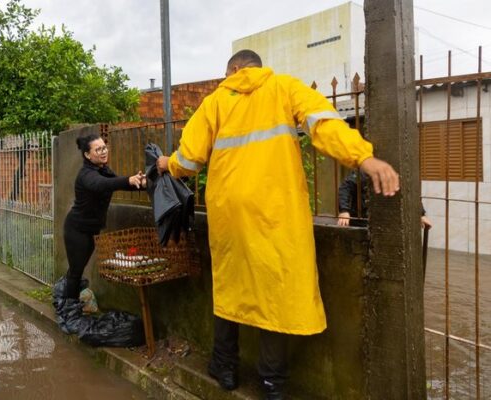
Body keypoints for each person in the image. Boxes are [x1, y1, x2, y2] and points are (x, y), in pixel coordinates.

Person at [156, 49, 400, 400]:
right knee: (276, 294)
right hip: (278, 213)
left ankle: (224, 367)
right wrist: (364, 157)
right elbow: (326, 125)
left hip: (230, 214)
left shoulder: (214, 102)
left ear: (235, 69)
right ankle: (273, 384)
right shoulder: (286, 88)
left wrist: (168, 163)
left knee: (230, 288)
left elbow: (190, 160)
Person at [63, 133, 145, 301]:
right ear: (87, 155)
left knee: (77, 269)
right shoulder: (87, 175)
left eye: (104, 147)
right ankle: (69, 308)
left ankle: (71, 303)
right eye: (98, 149)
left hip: (91, 229)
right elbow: (103, 184)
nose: (103, 152)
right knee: (76, 271)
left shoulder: (103, 170)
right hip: (76, 230)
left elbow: (118, 182)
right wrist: (128, 180)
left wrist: (142, 183)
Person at [337, 170, 432, 228]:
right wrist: (344, 211)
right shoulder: (364, 172)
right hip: (362, 221)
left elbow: (409, 191)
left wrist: (420, 214)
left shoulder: (396, 171)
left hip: (388, 222)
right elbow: (346, 187)